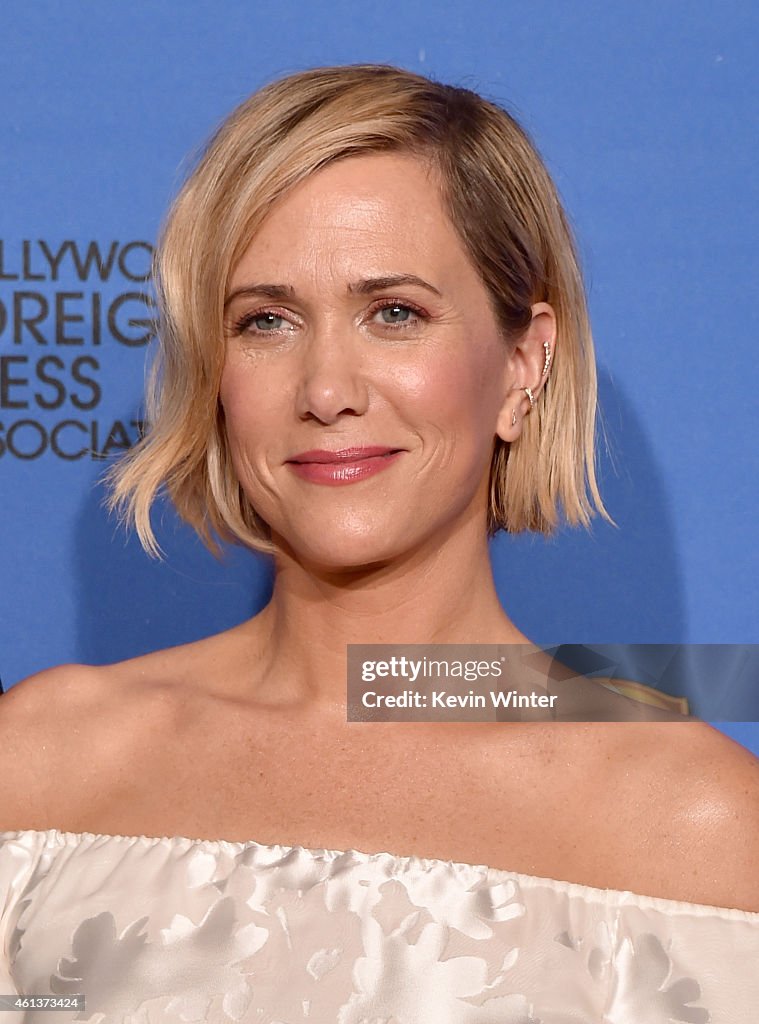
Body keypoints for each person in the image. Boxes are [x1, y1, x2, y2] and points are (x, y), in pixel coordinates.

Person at [0, 62, 757, 1023]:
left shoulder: (696, 830)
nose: (325, 390)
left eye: (393, 313)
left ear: (524, 360)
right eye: (265, 321)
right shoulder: (39, 764)